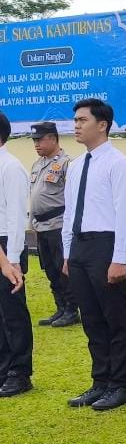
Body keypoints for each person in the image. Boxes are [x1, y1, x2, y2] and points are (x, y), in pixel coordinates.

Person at [62, 98, 126, 412]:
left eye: (82, 120)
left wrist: (119, 257)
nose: (76, 125)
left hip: (106, 245)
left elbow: (125, 213)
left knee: (115, 316)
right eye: (76, 120)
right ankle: (100, 381)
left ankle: (120, 385)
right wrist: (68, 253)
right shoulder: (77, 165)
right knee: (91, 318)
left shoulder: (119, 164)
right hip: (80, 246)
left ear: (102, 124)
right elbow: (70, 212)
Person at [29, 121, 78, 328]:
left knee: (62, 268)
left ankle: (71, 310)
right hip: (41, 227)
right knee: (49, 269)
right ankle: (60, 307)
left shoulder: (67, 163)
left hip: (58, 225)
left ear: (52, 138)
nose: (36, 144)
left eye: (39, 139)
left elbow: (73, 198)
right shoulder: (38, 164)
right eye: (34, 140)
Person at [0, 111, 34, 397]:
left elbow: (16, 218)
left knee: (12, 313)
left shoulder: (10, 167)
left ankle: (20, 372)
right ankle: (4, 366)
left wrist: (11, 260)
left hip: (7, 245)